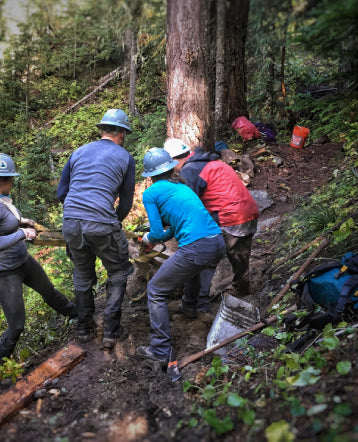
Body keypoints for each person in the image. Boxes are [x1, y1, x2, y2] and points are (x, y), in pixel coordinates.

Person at [0, 153, 77, 363]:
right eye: (10, 178)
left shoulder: (1, 200)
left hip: (23, 261)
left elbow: (8, 220)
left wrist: (22, 222)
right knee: (17, 325)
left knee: (50, 292)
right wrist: (23, 234)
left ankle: (78, 317)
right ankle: (0, 364)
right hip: (6, 272)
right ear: (2, 180)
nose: (12, 181)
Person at [136, 147, 225, 365]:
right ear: (170, 169)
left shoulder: (151, 193)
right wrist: (159, 236)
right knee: (192, 271)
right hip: (217, 240)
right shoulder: (183, 187)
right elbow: (174, 229)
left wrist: (147, 239)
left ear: (149, 176)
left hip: (197, 246)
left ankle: (160, 349)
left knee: (156, 290)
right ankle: (190, 308)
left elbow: (156, 233)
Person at [57, 109, 136, 349]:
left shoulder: (78, 152)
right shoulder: (125, 157)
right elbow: (126, 202)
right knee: (119, 272)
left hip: (71, 221)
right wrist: (114, 221)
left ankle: (84, 329)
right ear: (121, 132)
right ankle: (111, 331)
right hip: (102, 221)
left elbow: (62, 193)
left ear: (102, 130)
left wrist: (77, 215)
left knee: (82, 276)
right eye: (124, 133)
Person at [164, 138, 259, 312]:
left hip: (229, 217)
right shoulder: (211, 161)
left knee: (204, 257)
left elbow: (185, 206)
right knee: (240, 256)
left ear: (175, 161)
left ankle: (199, 304)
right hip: (249, 211)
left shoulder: (190, 170)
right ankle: (242, 290)